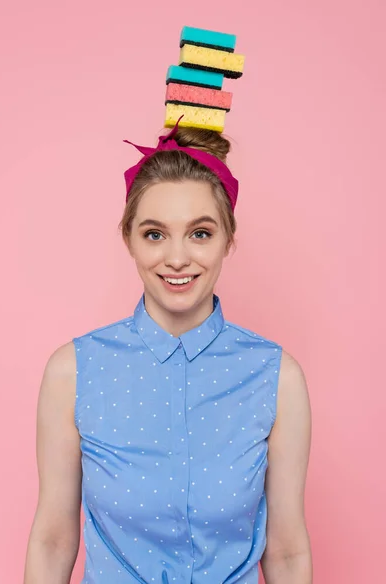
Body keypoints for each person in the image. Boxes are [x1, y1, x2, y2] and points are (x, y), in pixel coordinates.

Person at [23, 118, 313, 584]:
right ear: (129, 240)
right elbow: (53, 539)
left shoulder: (276, 376)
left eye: (200, 233)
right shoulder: (73, 371)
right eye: (154, 234)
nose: (177, 258)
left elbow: (286, 551)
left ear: (228, 240)